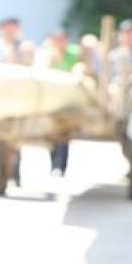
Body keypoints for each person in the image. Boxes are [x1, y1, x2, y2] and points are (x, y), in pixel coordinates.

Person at [36, 30, 83, 175]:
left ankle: (60, 166)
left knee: (63, 134)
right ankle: (53, 164)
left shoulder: (74, 53)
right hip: (51, 101)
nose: (59, 42)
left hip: (68, 101)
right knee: (51, 135)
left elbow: (81, 68)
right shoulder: (47, 54)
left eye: (62, 39)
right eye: (56, 39)